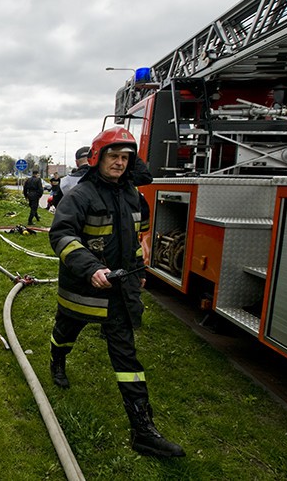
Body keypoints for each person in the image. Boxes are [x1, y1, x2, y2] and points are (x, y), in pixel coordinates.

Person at [48, 127, 184, 458]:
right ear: (98, 158)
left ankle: (143, 430)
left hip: (119, 290)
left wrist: (138, 270)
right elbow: (62, 235)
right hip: (84, 287)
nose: (120, 163)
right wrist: (91, 267)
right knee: (66, 332)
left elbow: (137, 238)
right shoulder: (80, 196)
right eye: (114, 156)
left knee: (127, 357)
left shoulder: (133, 196)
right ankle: (57, 361)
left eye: (125, 158)